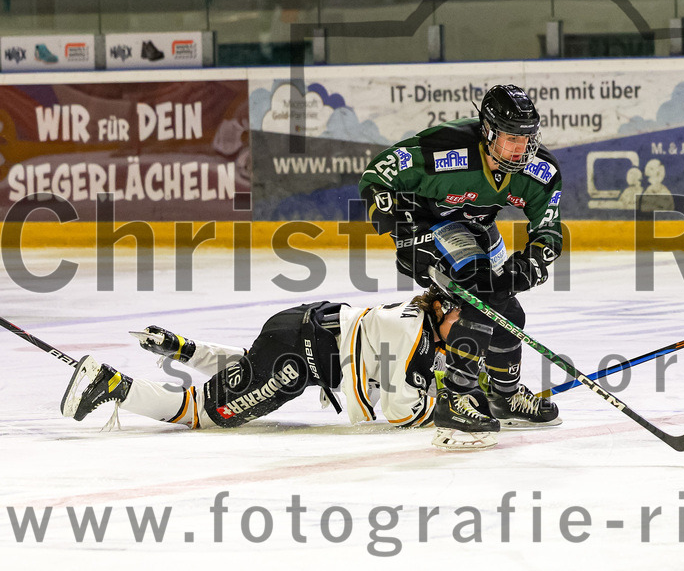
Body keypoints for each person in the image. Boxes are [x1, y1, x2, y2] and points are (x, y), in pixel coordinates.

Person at [358, 84, 563, 447]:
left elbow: (548, 231)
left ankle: (505, 395)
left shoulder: (540, 171)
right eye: (510, 139)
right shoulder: (445, 148)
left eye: (526, 140)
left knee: (507, 308)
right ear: (487, 131)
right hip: (424, 226)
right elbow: (379, 173)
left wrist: (530, 265)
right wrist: (385, 212)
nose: (520, 149)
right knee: (481, 291)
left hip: (478, 228)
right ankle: (456, 397)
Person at [59, 287, 498, 447]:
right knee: (200, 414)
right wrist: (446, 405)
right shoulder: (415, 336)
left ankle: (185, 347)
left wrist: (185, 350)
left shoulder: (417, 321)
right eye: (463, 317)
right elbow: (400, 412)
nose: (466, 328)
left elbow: (392, 377)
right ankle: (109, 382)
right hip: (302, 353)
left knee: (260, 373)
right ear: (442, 307)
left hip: (297, 331)